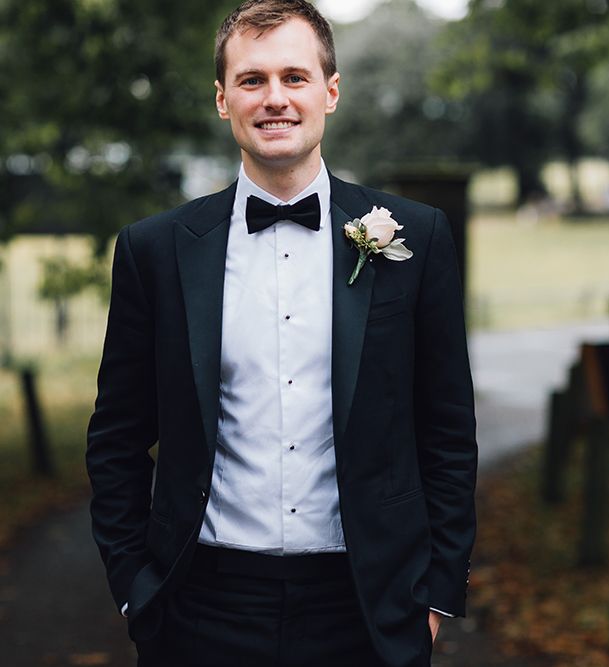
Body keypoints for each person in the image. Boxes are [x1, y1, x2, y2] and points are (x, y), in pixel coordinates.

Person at [86, 2, 477, 666]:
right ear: (222, 99)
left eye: (294, 77)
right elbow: (117, 434)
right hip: (200, 606)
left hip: (364, 606)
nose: (275, 99)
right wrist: (135, 589)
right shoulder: (155, 250)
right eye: (251, 80)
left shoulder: (417, 236)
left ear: (329, 91)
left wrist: (436, 596)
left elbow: (445, 430)